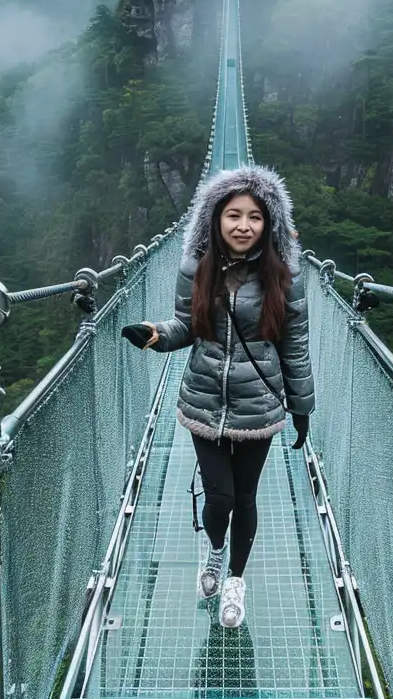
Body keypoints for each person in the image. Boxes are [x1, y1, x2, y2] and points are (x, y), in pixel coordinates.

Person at [121, 163, 314, 628]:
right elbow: (187, 326)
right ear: (215, 218)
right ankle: (214, 552)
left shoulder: (285, 276)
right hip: (204, 396)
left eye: (254, 216)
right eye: (233, 215)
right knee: (219, 497)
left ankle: (235, 579)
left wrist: (302, 408)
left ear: (269, 224)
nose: (243, 225)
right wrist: (154, 334)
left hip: (258, 404)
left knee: (244, 497)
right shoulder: (194, 268)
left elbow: (295, 345)